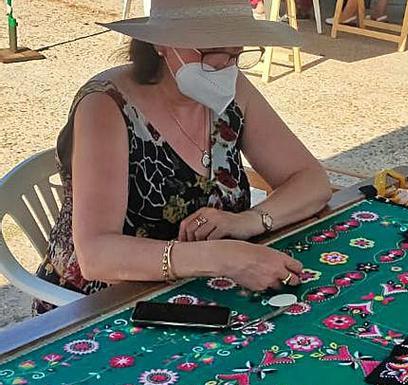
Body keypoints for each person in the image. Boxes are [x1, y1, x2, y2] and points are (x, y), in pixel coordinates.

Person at [33, 0, 332, 314]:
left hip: (203, 289)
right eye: (209, 51)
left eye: (235, 53)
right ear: (162, 43)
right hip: (101, 303)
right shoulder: (106, 106)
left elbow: (312, 181)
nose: (223, 66)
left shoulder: (230, 87)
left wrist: (247, 222)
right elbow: (97, 255)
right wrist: (224, 256)